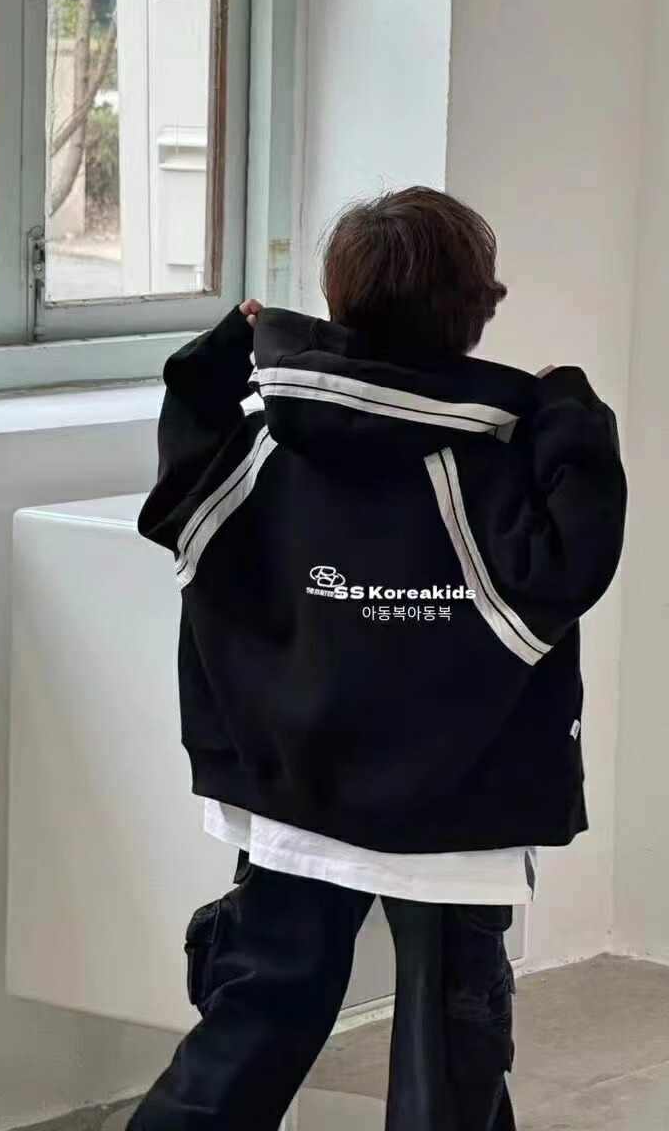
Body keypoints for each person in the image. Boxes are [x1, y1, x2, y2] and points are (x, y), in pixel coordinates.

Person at [131, 186, 626, 1130]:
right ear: (478, 311)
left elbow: (181, 475)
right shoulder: (498, 471)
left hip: (296, 790)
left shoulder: (260, 454)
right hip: (458, 809)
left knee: (259, 1007)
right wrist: (569, 404)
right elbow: (577, 555)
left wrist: (225, 350)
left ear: (339, 301)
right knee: (450, 1045)